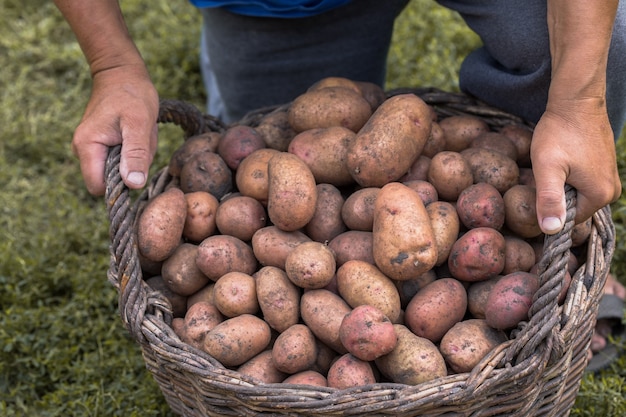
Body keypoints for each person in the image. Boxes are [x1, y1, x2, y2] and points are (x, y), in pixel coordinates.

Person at [53, 0, 625, 367]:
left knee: (609, 43)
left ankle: (559, 231)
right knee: (258, 135)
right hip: (283, 4)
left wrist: (576, 102)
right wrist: (113, 66)